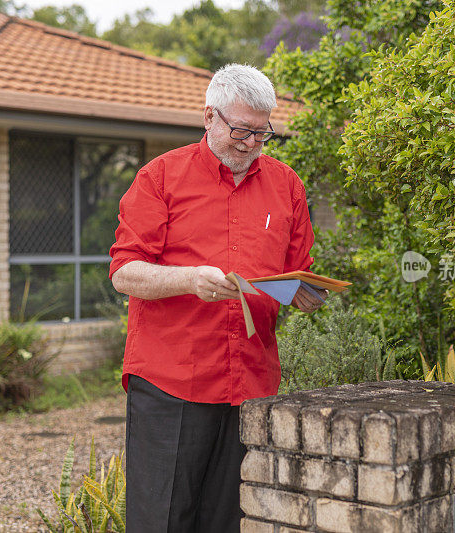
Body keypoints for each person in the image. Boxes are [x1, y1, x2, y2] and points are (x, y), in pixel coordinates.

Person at [109, 63, 326, 533]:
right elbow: (125, 272)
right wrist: (188, 279)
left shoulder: (287, 185)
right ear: (209, 117)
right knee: (162, 520)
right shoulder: (160, 177)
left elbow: (296, 273)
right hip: (172, 381)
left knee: (231, 521)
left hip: (250, 381)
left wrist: (303, 293)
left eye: (262, 133)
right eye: (241, 130)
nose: (251, 144)